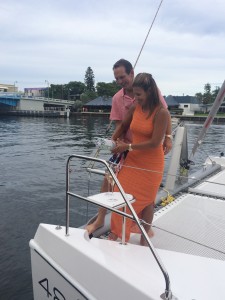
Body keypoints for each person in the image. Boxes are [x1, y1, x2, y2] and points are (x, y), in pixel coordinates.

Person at [86, 59, 172, 235]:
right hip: (125, 148)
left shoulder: (152, 91)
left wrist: (168, 137)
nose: (119, 81)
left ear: (132, 73)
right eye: (116, 78)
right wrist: (114, 142)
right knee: (108, 179)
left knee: (144, 193)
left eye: (122, 77)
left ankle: (139, 226)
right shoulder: (118, 98)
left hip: (144, 148)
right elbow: (121, 125)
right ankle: (101, 219)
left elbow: (165, 115)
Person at [110, 72, 169, 244]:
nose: (135, 98)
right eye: (134, 94)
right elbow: (123, 126)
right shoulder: (135, 107)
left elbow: (155, 142)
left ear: (150, 91)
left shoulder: (161, 113)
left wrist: (127, 147)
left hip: (151, 164)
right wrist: (112, 142)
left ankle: (144, 236)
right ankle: (117, 231)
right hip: (134, 160)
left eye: (138, 94)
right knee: (118, 195)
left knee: (147, 202)